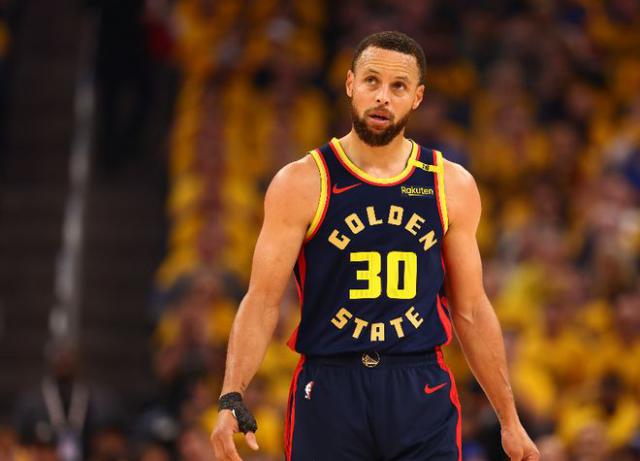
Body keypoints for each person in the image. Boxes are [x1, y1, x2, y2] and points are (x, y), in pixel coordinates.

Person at [210, 31, 540, 461]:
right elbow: (262, 300)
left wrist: (509, 419)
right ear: (350, 84)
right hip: (331, 385)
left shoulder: (449, 183)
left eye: (398, 86)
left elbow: (471, 309)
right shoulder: (302, 181)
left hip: (419, 384)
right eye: (372, 81)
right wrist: (231, 394)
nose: (383, 96)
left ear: (417, 97)